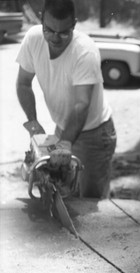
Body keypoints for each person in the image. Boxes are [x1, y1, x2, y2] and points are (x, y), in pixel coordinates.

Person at [16, 0, 116, 199]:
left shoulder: (85, 52)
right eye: (49, 30)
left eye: (63, 32)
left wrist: (66, 143)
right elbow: (23, 84)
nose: (55, 38)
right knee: (61, 192)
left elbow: (82, 104)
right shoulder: (33, 39)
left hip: (94, 135)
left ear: (74, 24)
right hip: (63, 127)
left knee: (90, 203)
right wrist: (34, 124)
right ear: (41, 19)